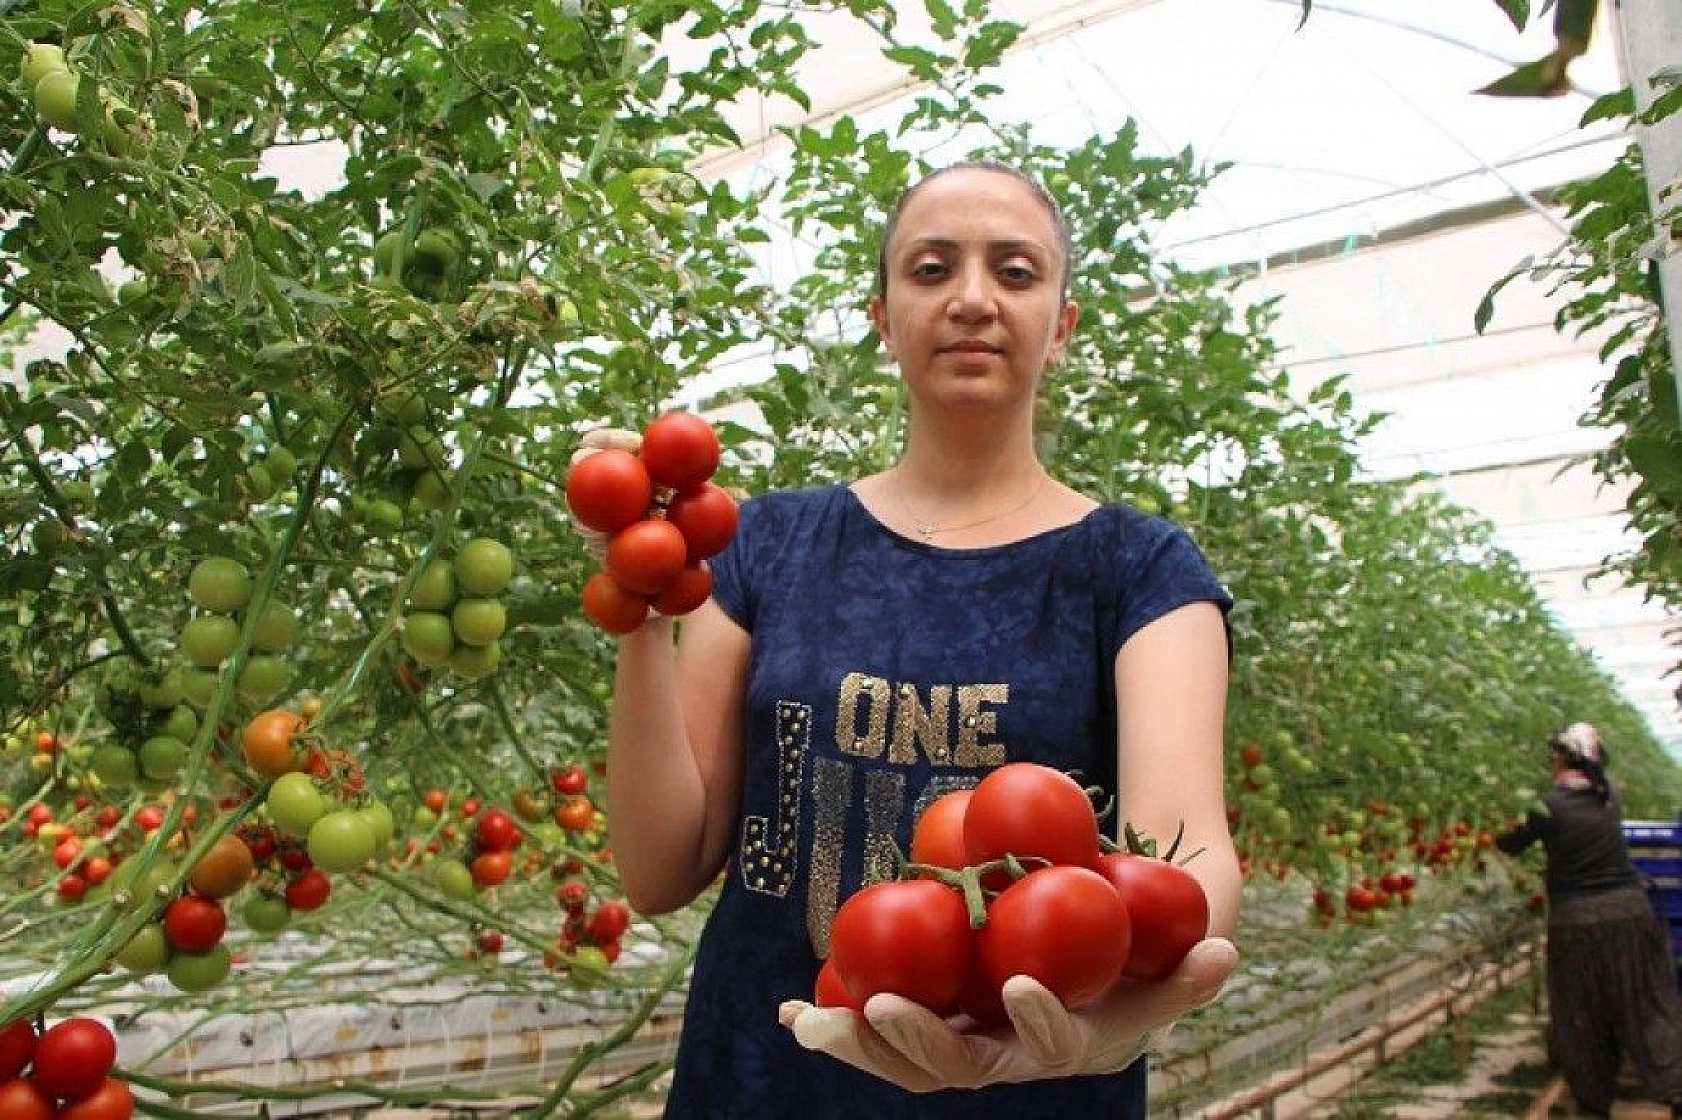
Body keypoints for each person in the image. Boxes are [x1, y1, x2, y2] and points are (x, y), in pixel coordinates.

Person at [580, 161, 1242, 1118]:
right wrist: (640, 605)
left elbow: (1188, 851)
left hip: (1037, 1089)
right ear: (884, 317)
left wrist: (1135, 1002)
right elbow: (658, 870)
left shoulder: (1138, 570)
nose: (973, 298)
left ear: (1061, 325)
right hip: (761, 1085)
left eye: (1015, 273)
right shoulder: (765, 544)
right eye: (932, 269)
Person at [1495, 721, 1682, 1119]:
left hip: (1576, 924)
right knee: (1645, 1008)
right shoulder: (1608, 797)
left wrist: (1491, 821)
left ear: (1560, 758)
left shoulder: (1546, 806)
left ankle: (1595, 1104)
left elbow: (1509, 845)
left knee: (1583, 1015)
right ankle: (1675, 1090)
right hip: (1631, 917)